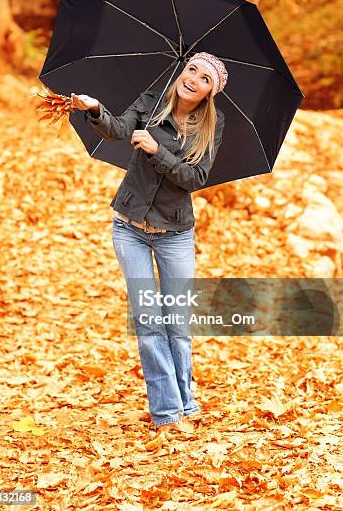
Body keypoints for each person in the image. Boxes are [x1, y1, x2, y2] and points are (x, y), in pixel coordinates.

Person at [69, 52, 227, 436]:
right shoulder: (150, 102)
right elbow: (118, 131)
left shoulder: (211, 125)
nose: (193, 79)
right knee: (149, 322)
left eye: (205, 78)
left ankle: (186, 399)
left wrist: (159, 152)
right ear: (182, 71)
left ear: (210, 92)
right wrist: (94, 109)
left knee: (176, 323)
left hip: (175, 234)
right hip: (129, 228)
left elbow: (194, 178)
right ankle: (167, 412)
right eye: (192, 69)